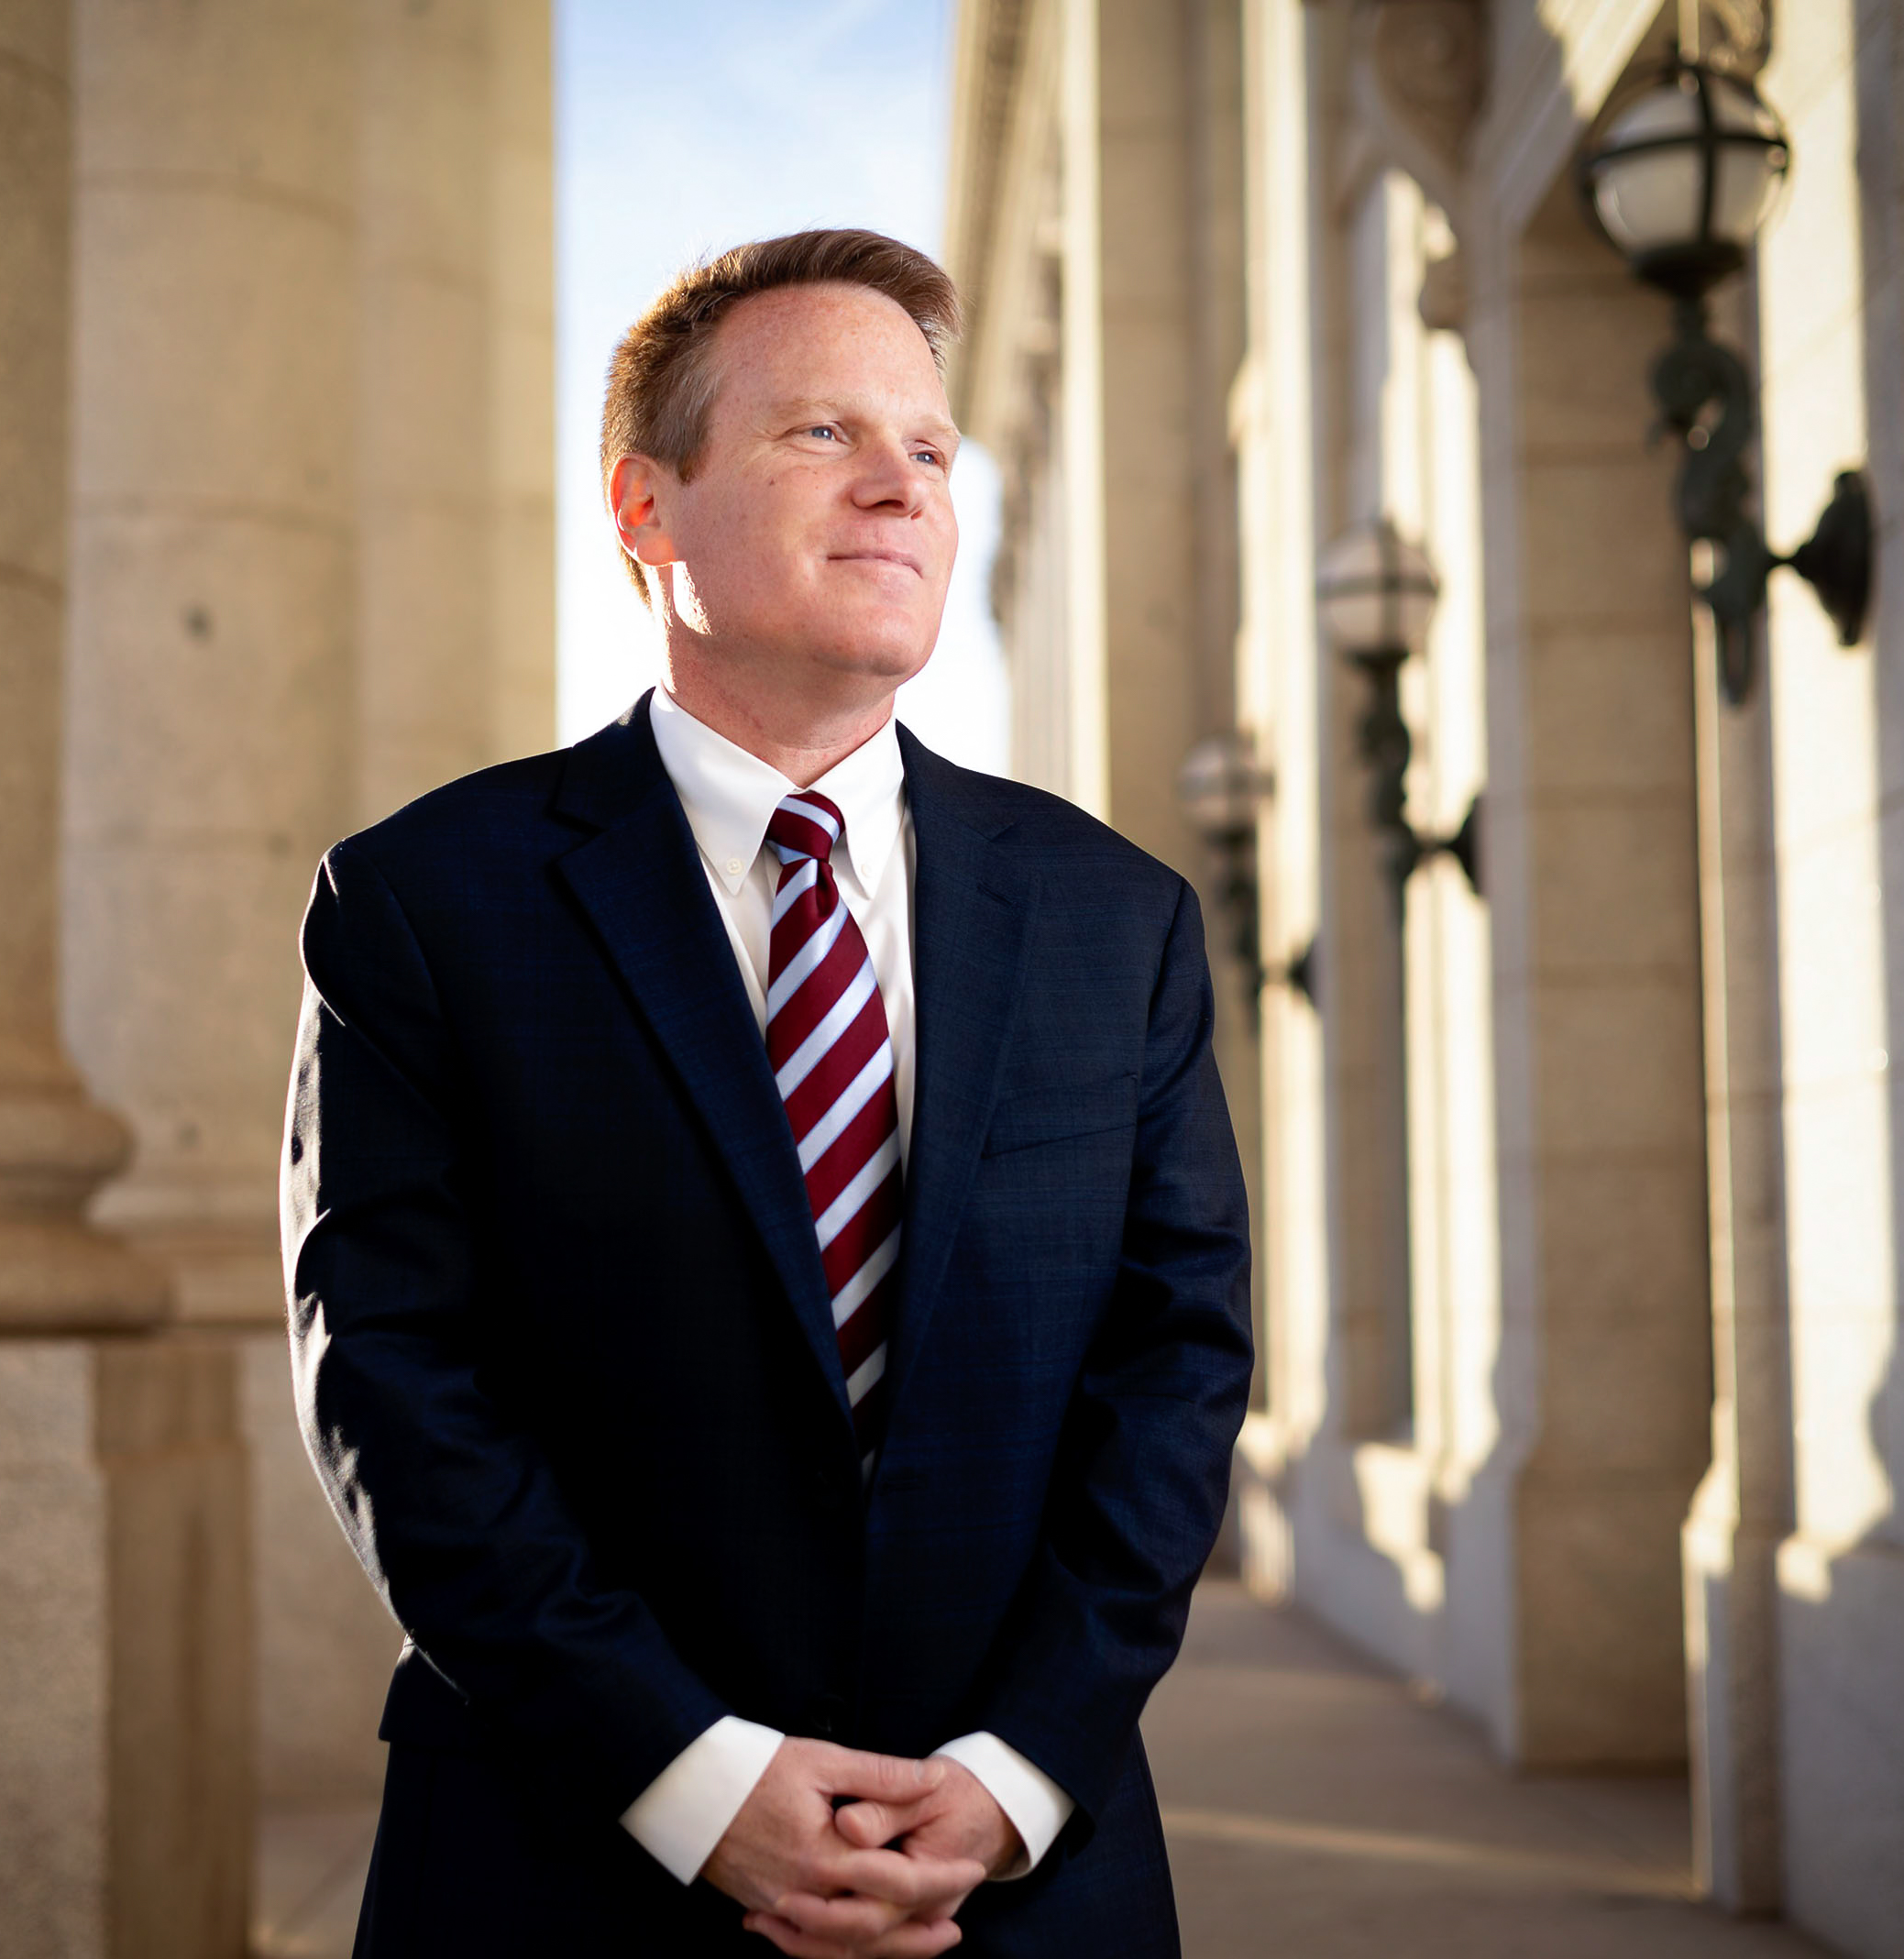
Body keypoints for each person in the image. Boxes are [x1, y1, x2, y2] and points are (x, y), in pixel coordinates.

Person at [283, 227, 1252, 1958]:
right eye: (824, 432)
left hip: (1022, 1881)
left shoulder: (1121, 919)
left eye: (931, 447)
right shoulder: (423, 902)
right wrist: (690, 1775)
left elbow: (1175, 1366)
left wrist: (1020, 1766)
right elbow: (395, 1379)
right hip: (564, 1861)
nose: (903, 485)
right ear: (646, 507)